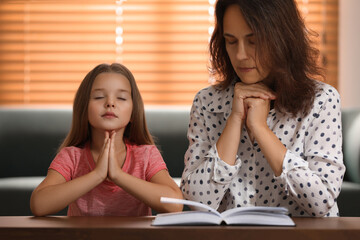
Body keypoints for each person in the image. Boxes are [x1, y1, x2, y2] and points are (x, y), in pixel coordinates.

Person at [180, 0, 345, 217]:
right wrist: (235, 119)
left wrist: (260, 128)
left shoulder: (322, 100)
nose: (240, 55)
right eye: (231, 41)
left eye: (253, 41)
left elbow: (321, 201)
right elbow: (196, 201)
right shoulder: (207, 102)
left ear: (282, 38)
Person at [30, 63, 183, 216]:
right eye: (99, 97)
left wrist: (118, 175)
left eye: (121, 98)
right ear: (84, 108)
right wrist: (97, 175)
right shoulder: (71, 157)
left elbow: (175, 204)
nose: (110, 103)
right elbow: (39, 205)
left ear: (133, 112)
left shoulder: (146, 155)